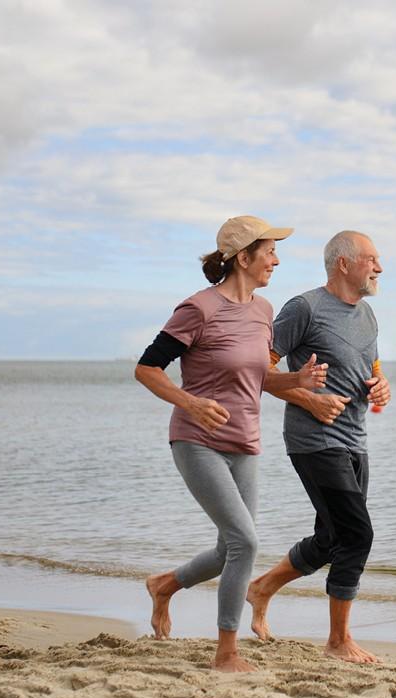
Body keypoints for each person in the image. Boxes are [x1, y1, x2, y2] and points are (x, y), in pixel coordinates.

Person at [135, 215, 329, 673]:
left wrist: (296, 380)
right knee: (245, 541)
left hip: (245, 442)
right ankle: (226, 652)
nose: (276, 261)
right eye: (270, 252)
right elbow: (146, 368)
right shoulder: (198, 309)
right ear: (244, 258)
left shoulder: (263, 310)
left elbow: (257, 377)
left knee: (230, 548)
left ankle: (165, 585)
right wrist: (190, 402)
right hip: (197, 440)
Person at [245, 230, 391, 663]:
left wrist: (381, 385)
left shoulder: (367, 314)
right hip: (314, 441)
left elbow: (372, 366)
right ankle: (338, 641)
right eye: (371, 259)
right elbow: (256, 370)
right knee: (357, 535)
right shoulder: (304, 308)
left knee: (331, 538)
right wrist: (308, 399)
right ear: (343, 263)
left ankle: (262, 587)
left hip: (355, 438)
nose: (379, 268)